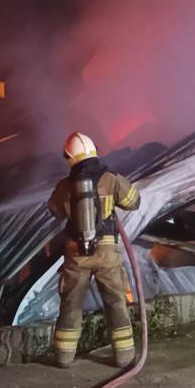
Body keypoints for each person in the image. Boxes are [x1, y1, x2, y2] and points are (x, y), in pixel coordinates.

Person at [46, 132, 142, 368]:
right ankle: (124, 356)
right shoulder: (110, 178)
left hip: (76, 253)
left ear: (69, 158)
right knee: (115, 302)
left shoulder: (64, 186)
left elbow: (54, 210)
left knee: (71, 304)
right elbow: (134, 202)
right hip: (107, 252)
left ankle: (64, 357)